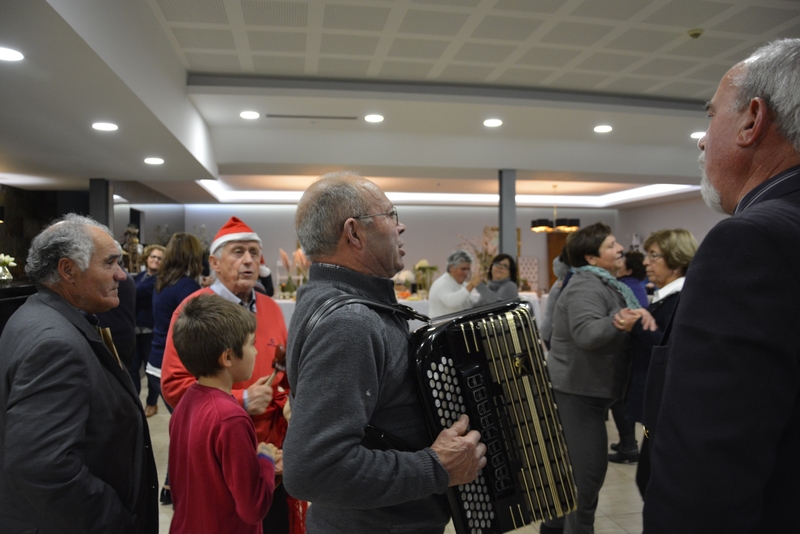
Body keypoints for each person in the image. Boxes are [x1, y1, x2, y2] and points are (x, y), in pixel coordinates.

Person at [642, 39, 800, 532]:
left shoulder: (751, 241)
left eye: (711, 118)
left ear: (753, 120)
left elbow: (706, 469)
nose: (702, 139)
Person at [283, 172, 487, 533]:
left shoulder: (325, 297)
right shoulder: (350, 322)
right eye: (391, 215)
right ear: (354, 233)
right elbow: (312, 469)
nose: (401, 226)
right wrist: (437, 467)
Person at [0, 214, 158, 533]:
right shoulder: (54, 344)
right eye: (110, 263)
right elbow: (43, 467)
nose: (122, 275)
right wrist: (115, 520)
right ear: (68, 270)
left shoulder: (39, 315)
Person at [161, 216, 303, 534]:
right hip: (223, 459)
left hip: (272, 456)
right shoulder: (193, 311)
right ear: (214, 262)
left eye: (254, 252)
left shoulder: (271, 306)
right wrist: (243, 399)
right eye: (238, 252)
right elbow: (173, 386)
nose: (249, 260)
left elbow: (284, 370)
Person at [544, 222, 653, 534]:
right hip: (577, 393)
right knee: (586, 480)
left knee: (573, 483)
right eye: (611, 245)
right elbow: (587, 333)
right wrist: (622, 319)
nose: (620, 249)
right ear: (591, 258)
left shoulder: (601, 282)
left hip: (586, 391)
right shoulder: (585, 286)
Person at [169, 293, 278, 534]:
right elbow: (253, 507)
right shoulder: (231, 418)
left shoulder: (186, 401)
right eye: (251, 344)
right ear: (228, 357)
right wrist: (266, 461)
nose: (257, 353)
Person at [611, 229, 697, 492]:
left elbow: (671, 347)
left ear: (676, 260)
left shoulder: (683, 299)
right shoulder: (666, 297)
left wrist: (637, 327)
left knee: (652, 479)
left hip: (665, 403)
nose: (646, 262)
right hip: (655, 403)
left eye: (654, 255)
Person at [149, 232, 204, 504]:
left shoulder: (162, 282)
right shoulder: (188, 288)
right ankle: (173, 486)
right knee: (188, 430)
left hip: (155, 363)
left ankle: (170, 486)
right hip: (172, 367)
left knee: (181, 426)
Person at [132, 244, 165, 415]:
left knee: (150, 369)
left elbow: (136, 291)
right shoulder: (141, 276)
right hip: (135, 328)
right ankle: (135, 403)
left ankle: (152, 403)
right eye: (153, 256)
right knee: (133, 368)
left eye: (159, 258)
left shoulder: (159, 280)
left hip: (150, 329)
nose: (155, 260)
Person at [427, 249, 481, 317]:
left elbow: (470, 305)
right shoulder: (441, 284)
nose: (466, 273)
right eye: (463, 269)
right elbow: (452, 303)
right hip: (442, 326)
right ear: (451, 267)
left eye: (468, 270)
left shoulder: (462, 284)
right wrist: (471, 285)